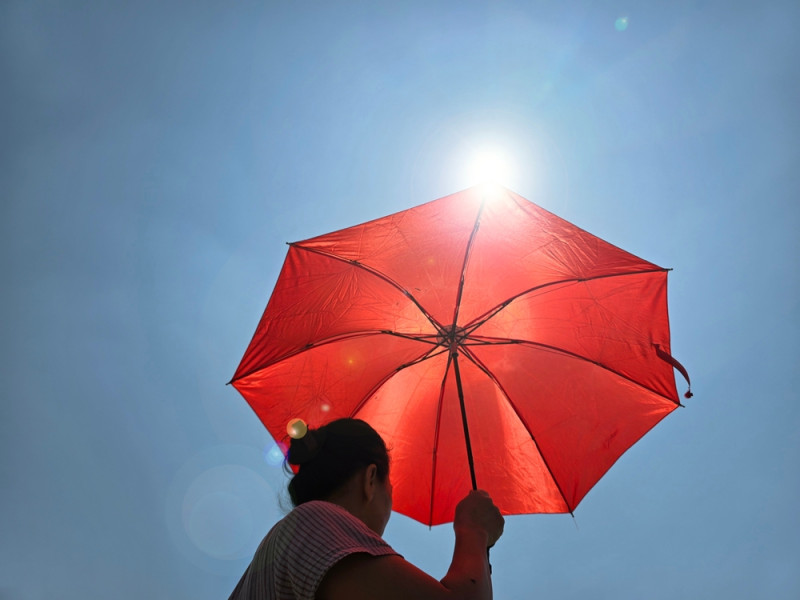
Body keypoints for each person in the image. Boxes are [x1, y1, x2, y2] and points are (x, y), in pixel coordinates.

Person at [229, 418, 504, 600]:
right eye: (390, 486)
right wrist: (474, 531)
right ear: (370, 479)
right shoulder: (315, 521)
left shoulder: (291, 540)